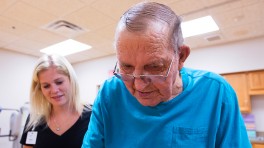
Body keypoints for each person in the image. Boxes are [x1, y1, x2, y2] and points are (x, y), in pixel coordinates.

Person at [82, 2, 251, 148]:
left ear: (181, 57)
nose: (139, 85)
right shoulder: (110, 93)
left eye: (154, 67)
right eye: (126, 67)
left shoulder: (216, 92)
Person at [20, 54, 92, 148]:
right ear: (40, 89)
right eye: (46, 86)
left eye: (59, 82)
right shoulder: (34, 119)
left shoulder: (93, 116)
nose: (54, 90)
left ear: (71, 80)